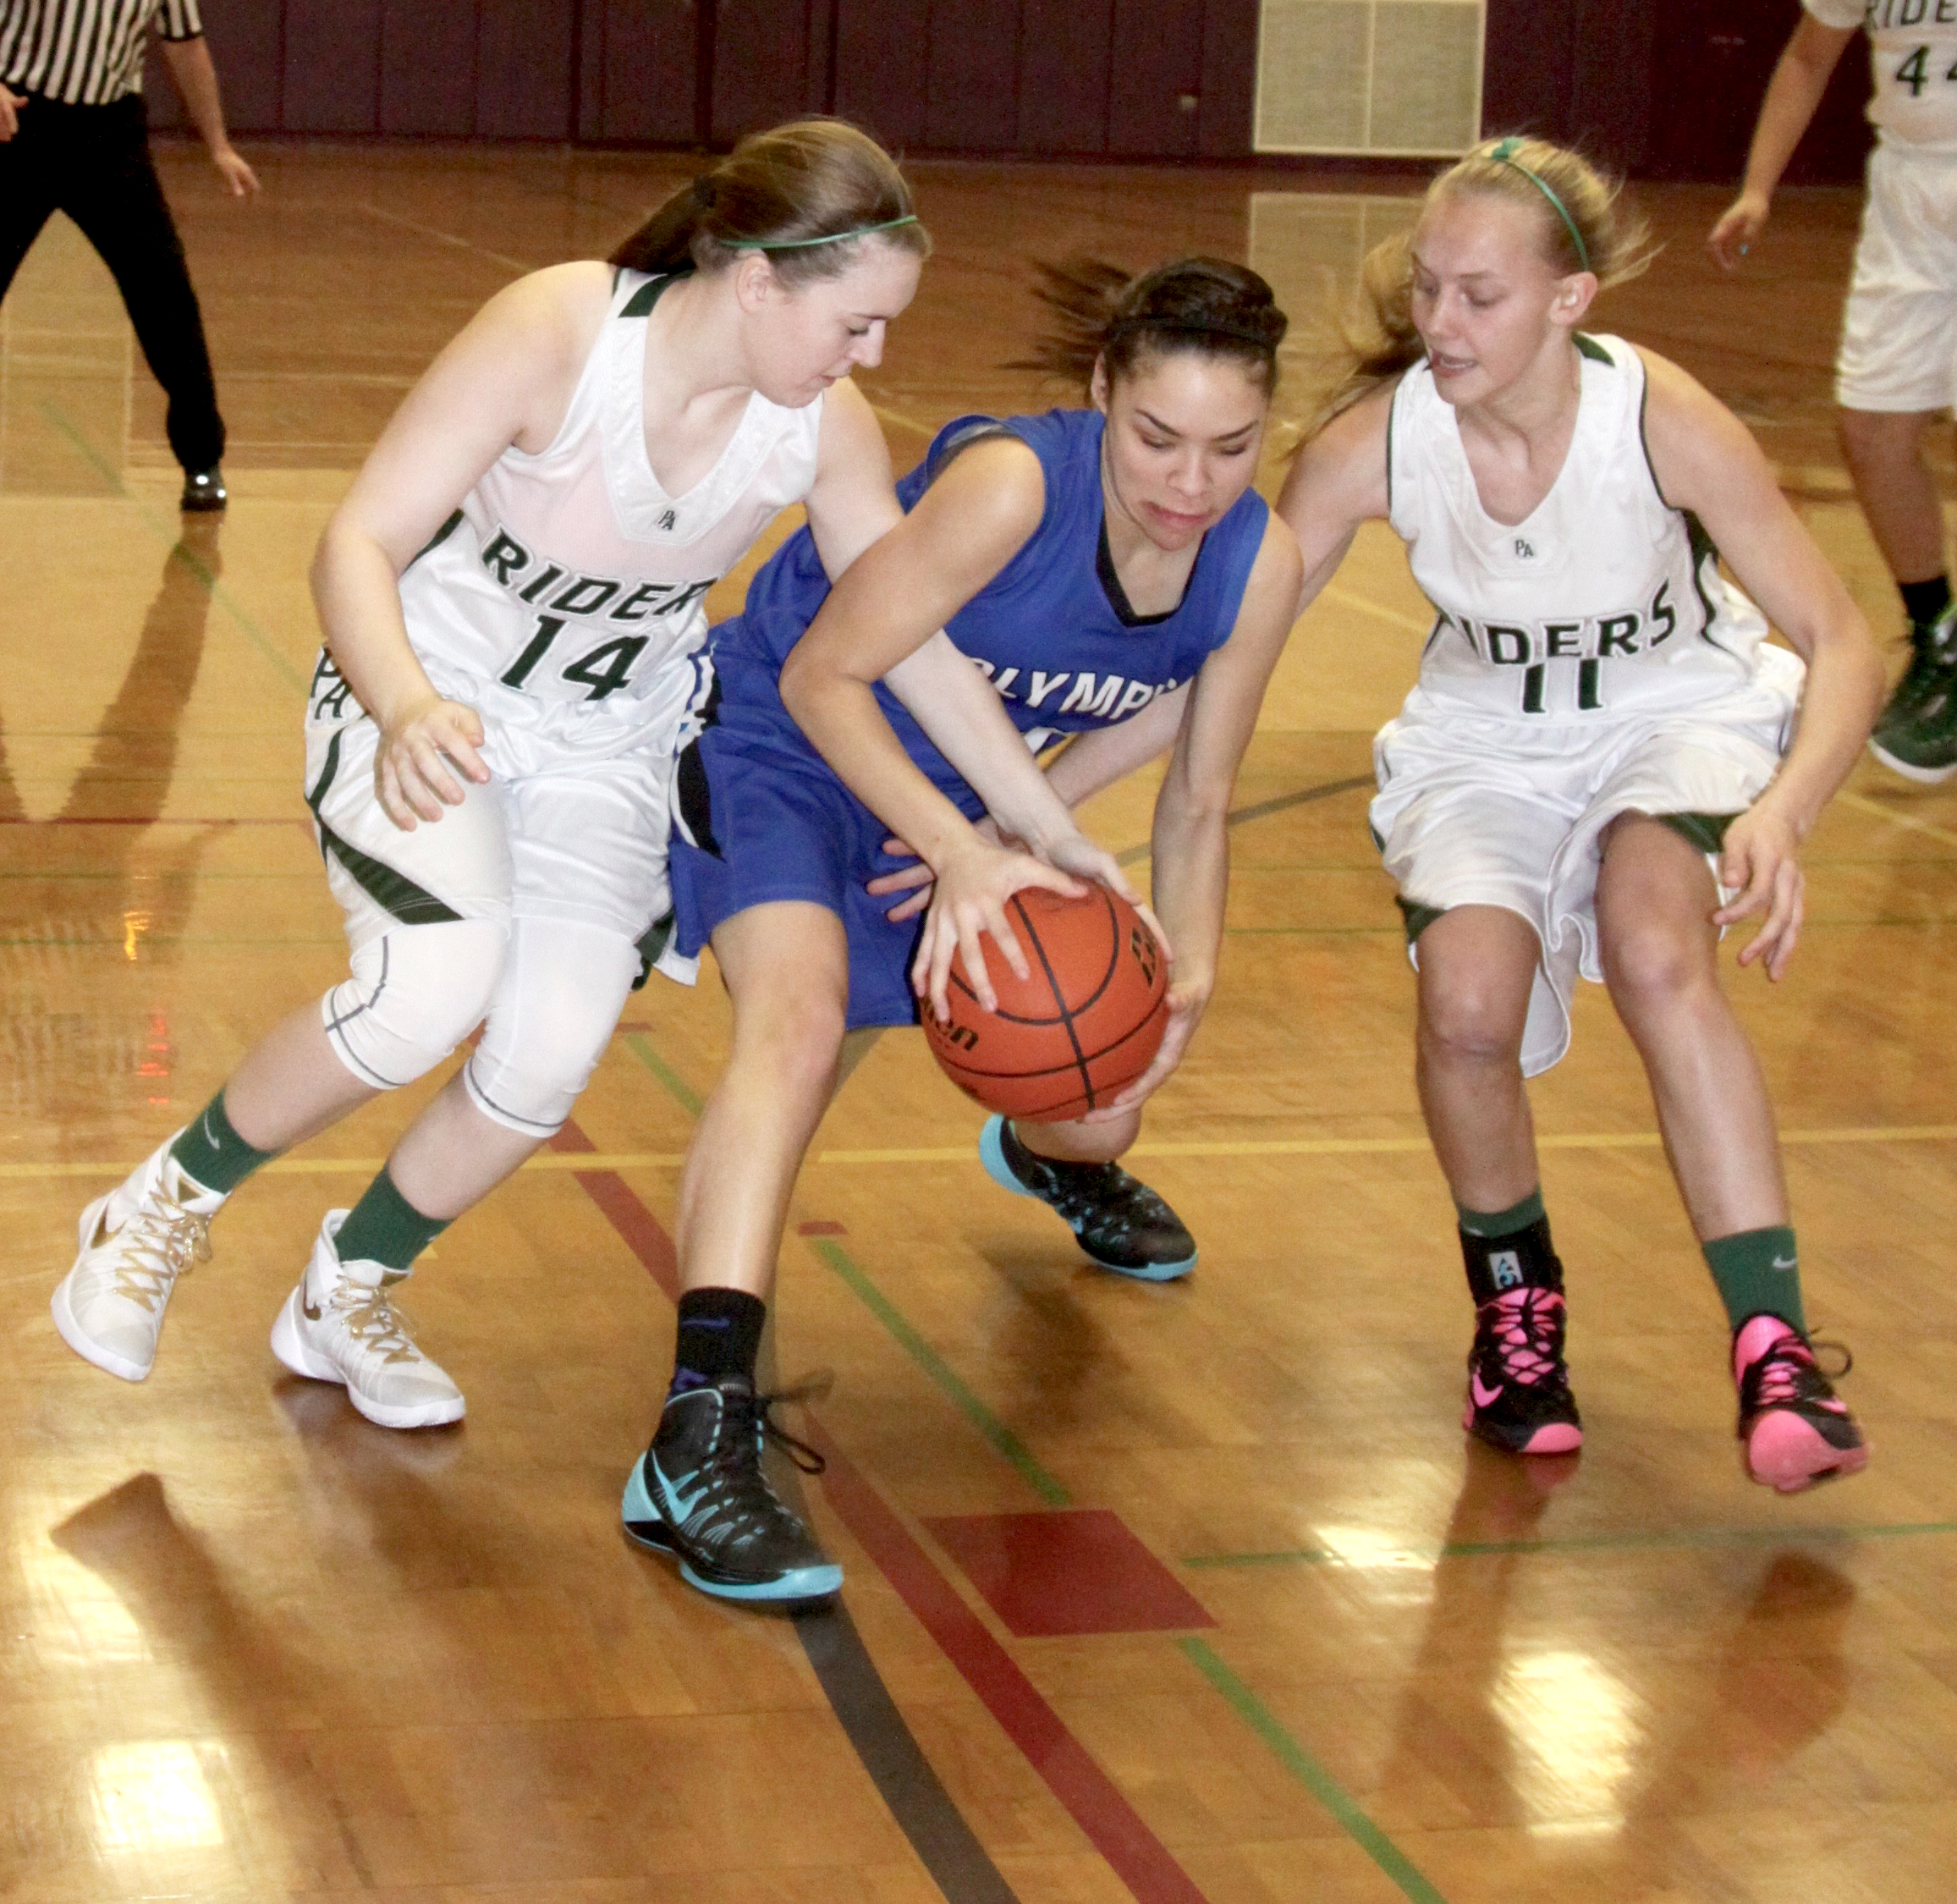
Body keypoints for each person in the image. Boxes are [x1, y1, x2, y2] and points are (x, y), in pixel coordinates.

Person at [50, 118, 944, 1431]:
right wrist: (404, 704)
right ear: (759, 280)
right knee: (430, 984)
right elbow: (359, 538)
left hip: (608, 749)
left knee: (546, 1051)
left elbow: (904, 630)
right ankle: (159, 1203)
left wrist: (1013, 833)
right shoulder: (561, 333)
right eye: (856, 324)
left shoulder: (817, 428)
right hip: (430, 697)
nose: (871, 356)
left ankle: (347, 1288)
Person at [623, 256, 1304, 1604]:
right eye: (1158, 438)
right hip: (787, 733)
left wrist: (1188, 970)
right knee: (799, 1026)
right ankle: (694, 1434)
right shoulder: (1013, 488)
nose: (1188, 482)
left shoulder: (1256, 559)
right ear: (1103, 391)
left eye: (1230, 447)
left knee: (1100, 1095)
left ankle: (1047, 1152)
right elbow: (829, 672)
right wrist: (960, 850)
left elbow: (1200, 787)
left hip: (967, 799)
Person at [1277, 137, 1885, 1494]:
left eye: (1478, 295)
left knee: (1656, 940)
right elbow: (1226, 649)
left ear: (1571, 301)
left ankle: (1775, 1344)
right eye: (1429, 286)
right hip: (1483, 735)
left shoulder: (1657, 416)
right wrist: (1040, 797)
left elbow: (1843, 639)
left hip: (1673, 710)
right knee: (1467, 1009)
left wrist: (1784, 810)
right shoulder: (1380, 443)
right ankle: (1515, 1309)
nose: (1439, 321)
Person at [1708, 2, 1957, 780]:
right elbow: (1808, 57)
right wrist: (1758, 187)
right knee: (1872, 426)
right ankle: (1940, 636)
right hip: (1909, 193)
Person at [2, 0, 258, 511]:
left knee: (166, 298)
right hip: (16, 125)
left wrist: (218, 144)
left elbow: (186, 46)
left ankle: (202, 460)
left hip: (109, 139)